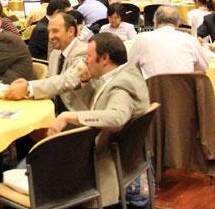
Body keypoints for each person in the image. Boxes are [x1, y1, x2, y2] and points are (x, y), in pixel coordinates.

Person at [45, 33, 150, 207]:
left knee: (36, 159)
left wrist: (69, 116)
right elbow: (99, 104)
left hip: (103, 157)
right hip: (126, 155)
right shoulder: (124, 73)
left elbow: (116, 118)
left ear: (104, 59)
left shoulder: (121, 86)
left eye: (89, 56)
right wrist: (86, 83)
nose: (86, 61)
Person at [4, 13, 93, 112]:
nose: (50, 36)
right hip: (53, 110)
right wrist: (26, 85)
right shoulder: (55, 53)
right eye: (49, 32)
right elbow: (51, 80)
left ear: (71, 31)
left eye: (55, 31)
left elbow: (68, 80)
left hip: (76, 116)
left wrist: (29, 87)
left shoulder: (83, 52)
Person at [130, 6, 209, 79]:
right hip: (184, 91)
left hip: (151, 91)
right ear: (178, 22)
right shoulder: (191, 40)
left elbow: (130, 66)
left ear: (155, 21)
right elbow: (204, 67)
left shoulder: (141, 39)